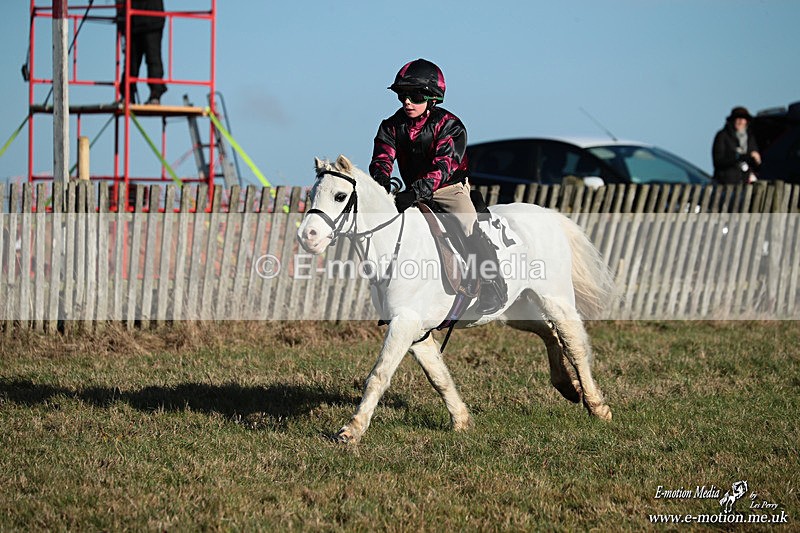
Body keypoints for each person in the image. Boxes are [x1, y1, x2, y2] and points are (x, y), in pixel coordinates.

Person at [369, 58, 507, 315]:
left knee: (467, 224)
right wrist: (382, 183)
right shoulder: (389, 126)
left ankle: (493, 285)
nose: (407, 101)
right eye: (402, 96)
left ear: (432, 98)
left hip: (448, 190)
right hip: (411, 192)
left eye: (415, 96)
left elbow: (442, 169)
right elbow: (381, 159)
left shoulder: (451, 126)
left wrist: (415, 192)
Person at [117, 0, 167, 105]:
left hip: (151, 19)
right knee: (131, 62)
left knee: (152, 59)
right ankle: (128, 95)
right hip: (133, 21)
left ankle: (155, 95)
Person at [712, 106, 761, 184]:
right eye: (738, 118)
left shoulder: (750, 138)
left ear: (746, 122)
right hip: (725, 183)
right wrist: (740, 156)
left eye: (743, 119)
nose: (740, 121)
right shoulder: (722, 135)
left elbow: (755, 160)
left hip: (744, 182)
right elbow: (718, 161)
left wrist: (756, 160)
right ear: (732, 120)